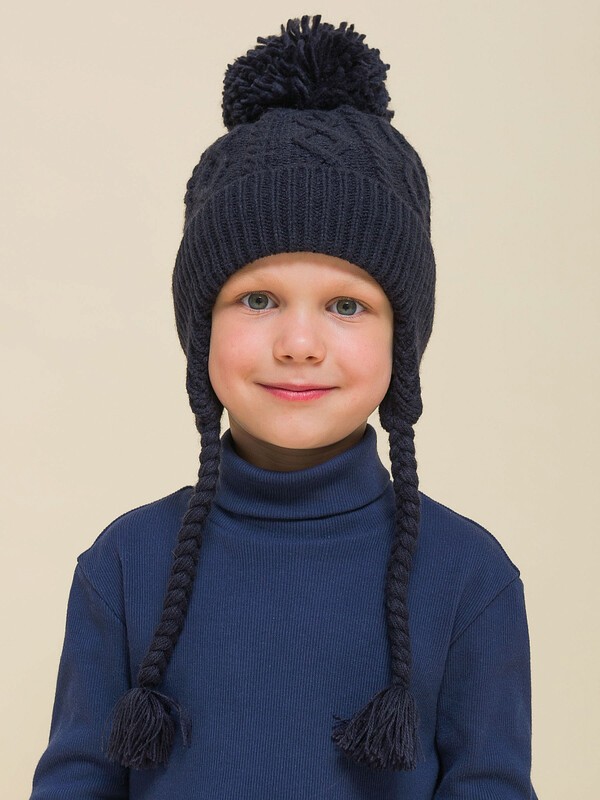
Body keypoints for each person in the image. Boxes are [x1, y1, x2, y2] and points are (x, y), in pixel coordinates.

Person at [30, 14, 538, 799]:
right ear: (200, 330)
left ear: (403, 342)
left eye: (347, 306)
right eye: (258, 299)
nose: (299, 343)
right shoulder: (125, 565)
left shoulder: (469, 576)